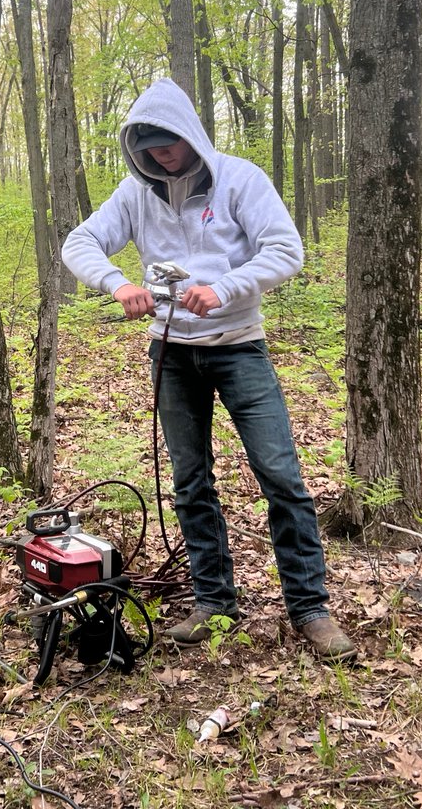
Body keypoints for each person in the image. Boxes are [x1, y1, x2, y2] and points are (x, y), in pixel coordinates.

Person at [61, 77, 356, 660]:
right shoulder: (134, 193)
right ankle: (214, 602)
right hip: (171, 355)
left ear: (189, 134)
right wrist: (118, 283)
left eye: (166, 141)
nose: (157, 153)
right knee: (190, 483)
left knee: (280, 476)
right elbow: (81, 241)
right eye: (145, 145)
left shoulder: (241, 179)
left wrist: (222, 289)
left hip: (240, 346)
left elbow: (285, 249)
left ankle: (310, 609)